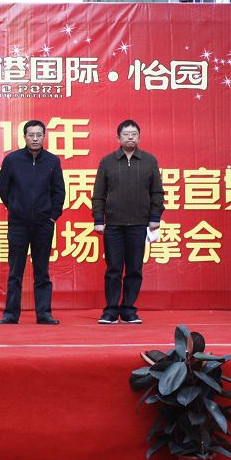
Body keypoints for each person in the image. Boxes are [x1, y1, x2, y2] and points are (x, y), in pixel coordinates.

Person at [92, 120, 164, 325]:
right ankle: (111, 310)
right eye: (126, 134)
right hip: (113, 225)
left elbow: (157, 192)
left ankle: (129, 310)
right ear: (118, 138)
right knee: (113, 269)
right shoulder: (108, 162)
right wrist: (98, 220)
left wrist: (155, 217)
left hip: (139, 224)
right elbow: (99, 194)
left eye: (134, 134)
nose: (130, 137)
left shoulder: (149, 161)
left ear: (139, 137)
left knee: (134, 269)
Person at [0, 120, 66, 325]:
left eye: (38, 135)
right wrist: (15, 208)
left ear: (44, 136)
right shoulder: (12, 160)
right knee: (15, 270)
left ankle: (44, 313)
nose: (35, 139)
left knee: (42, 270)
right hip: (18, 223)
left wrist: (52, 216)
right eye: (31, 135)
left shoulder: (52, 161)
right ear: (24, 137)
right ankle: (11, 314)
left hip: (44, 223)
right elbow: (3, 188)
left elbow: (59, 191)